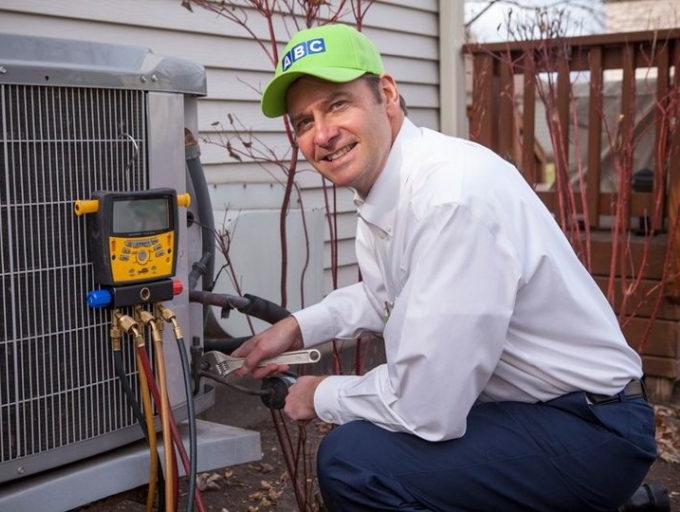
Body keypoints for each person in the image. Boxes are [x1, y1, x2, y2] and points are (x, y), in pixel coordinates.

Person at [233, 23, 657, 511]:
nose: (322, 134)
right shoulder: (394, 181)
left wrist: (320, 393)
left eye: (337, 104)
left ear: (386, 94)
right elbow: (384, 293)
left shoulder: (450, 198)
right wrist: (297, 327)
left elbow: (427, 408)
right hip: (541, 411)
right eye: (303, 122)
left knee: (355, 462)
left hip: (593, 428)